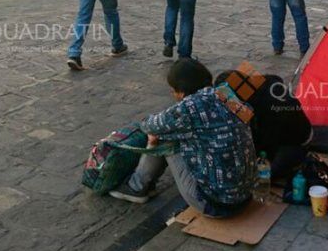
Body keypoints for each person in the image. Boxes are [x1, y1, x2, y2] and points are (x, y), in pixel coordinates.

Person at [110, 58, 256, 218]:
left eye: (173, 90)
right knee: (181, 132)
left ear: (180, 91)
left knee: (165, 135)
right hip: (246, 195)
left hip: (216, 205)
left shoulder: (188, 108)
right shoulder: (226, 94)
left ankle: (136, 187)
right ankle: (142, 184)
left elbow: (148, 126)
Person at [214, 70, 312, 181]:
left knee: (263, 176)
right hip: (270, 133)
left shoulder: (272, 106)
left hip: (294, 142)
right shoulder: (255, 86)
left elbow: (265, 139)